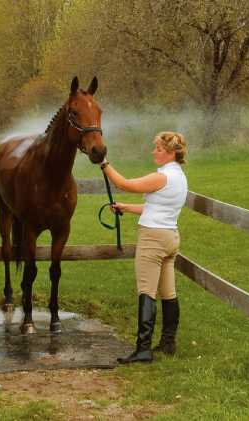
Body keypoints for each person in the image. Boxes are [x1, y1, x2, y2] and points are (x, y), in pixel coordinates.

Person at [100, 131, 188, 363]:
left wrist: (104, 163)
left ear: (170, 153)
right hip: (170, 238)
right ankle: (168, 343)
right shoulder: (179, 175)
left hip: (153, 240)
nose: (153, 151)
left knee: (146, 292)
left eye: (158, 148)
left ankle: (143, 349)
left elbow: (124, 184)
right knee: (168, 293)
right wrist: (126, 208)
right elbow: (156, 207)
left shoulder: (161, 177)